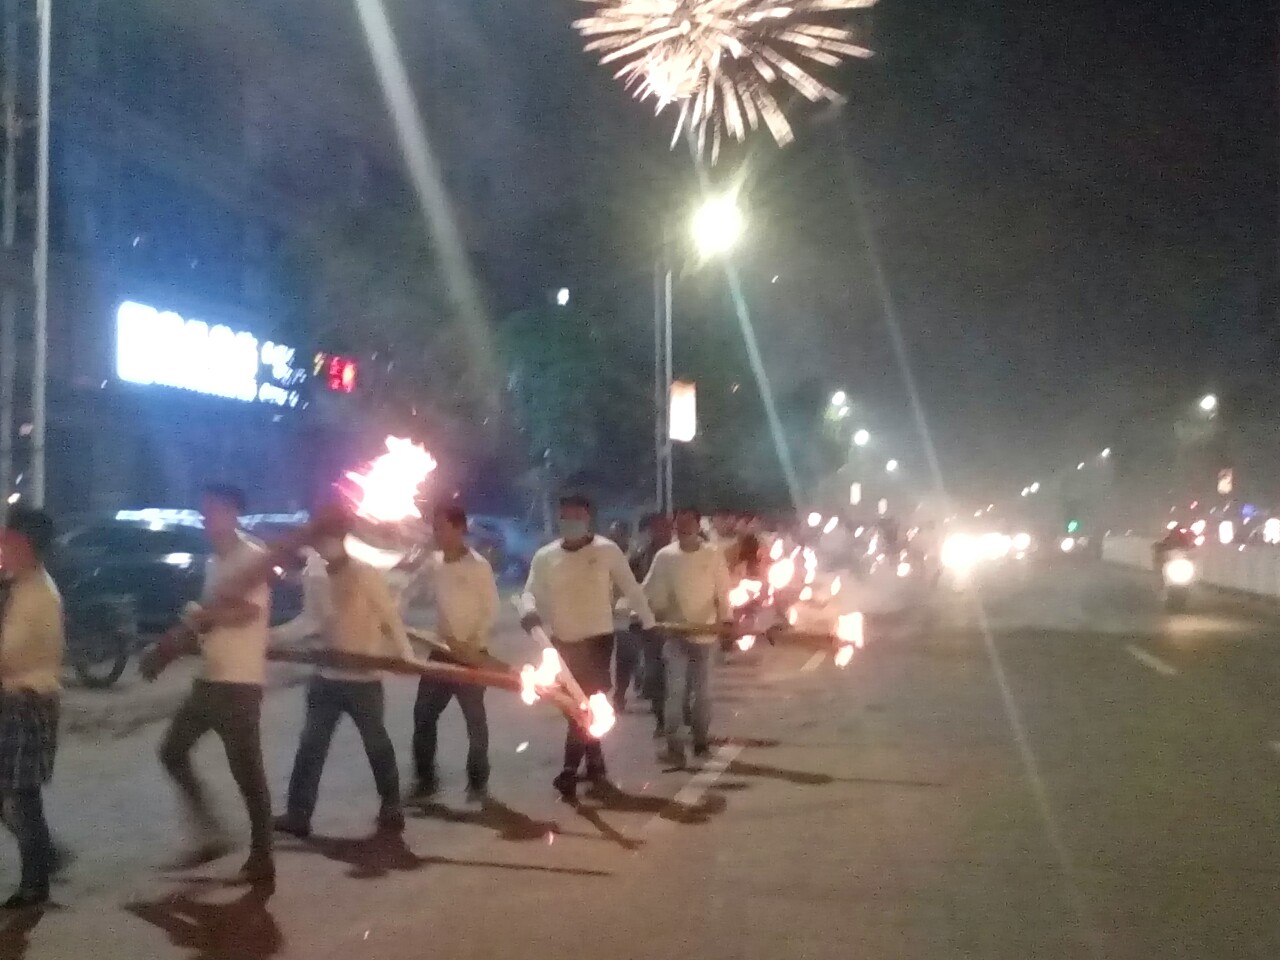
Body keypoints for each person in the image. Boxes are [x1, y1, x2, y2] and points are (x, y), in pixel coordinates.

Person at [270, 507, 420, 839]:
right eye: (320, 541)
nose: (324, 547)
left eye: (330, 539)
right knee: (310, 747)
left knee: (377, 745)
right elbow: (310, 621)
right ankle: (298, 815)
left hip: (364, 679)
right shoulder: (315, 575)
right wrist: (271, 638)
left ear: (341, 540)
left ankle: (391, 807)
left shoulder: (365, 575)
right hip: (326, 676)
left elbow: (389, 618)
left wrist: (406, 655)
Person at [155, 485, 275, 883]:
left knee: (247, 773)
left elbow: (248, 612)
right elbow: (211, 618)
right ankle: (210, 832)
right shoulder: (213, 561)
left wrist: (206, 618)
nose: (206, 519)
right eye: (204, 511)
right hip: (209, 678)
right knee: (172, 751)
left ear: (233, 513)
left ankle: (262, 856)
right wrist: (180, 640)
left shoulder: (252, 557)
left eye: (213, 511)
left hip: (239, 682)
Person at [520, 493, 656, 802]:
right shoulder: (545, 557)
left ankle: (569, 770)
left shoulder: (607, 551)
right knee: (575, 707)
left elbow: (631, 588)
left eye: (577, 517)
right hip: (562, 643)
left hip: (597, 641)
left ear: (589, 520)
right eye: (565, 517)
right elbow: (529, 592)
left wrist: (649, 623)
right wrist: (528, 613)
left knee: (583, 706)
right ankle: (595, 763)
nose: (571, 523)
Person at [409, 504, 500, 803]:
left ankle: (477, 782)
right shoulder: (433, 563)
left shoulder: (478, 566)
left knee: (475, 721)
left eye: (442, 527)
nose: (437, 533)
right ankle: (425, 780)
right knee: (423, 715)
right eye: (434, 527)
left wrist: (473, 644)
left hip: (472, 653)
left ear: (460, 528)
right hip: (441, 651)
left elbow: (490, 608)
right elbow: (408, 590)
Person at [0, 507, 64, 908]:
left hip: (26, 704)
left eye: (8, 540)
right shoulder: (19, 584)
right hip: (15, 700)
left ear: (25, 545)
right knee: (12, 794)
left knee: (21, 796)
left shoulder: (38, 596)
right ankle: (45, 856)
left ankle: (36, 883)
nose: (2, 546)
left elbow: (7, 655)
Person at [644, 507, 734, 768]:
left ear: (698, 526)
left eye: (689, 524)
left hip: (706, 635)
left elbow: (723, 591)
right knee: (675, 692)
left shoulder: (713, 554)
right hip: (675, 635)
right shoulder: (665, 556)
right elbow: (650, 590)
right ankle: (674, 747)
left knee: (702, 693)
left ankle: (701, 741)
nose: (684, 529)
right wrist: (636, 608)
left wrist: (726, 620)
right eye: (680, 524)